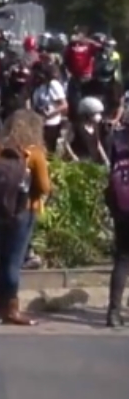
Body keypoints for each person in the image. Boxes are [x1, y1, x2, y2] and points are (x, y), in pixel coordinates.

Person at [0, 109, 50, 325]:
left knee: (2, 259)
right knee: (14, 261)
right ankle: (11, 310)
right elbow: (44, 187)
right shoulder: (34, 153)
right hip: (24, 211)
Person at [106, 122, 129, 327]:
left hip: (122, 206)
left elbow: (111, 171)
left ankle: (113, 311)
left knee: (122, 258)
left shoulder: (118, 140)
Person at [31, 62, 67, 153]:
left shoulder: (53, 85)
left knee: (50, 151)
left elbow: (64, 105)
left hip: (52, 124)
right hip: (40, 123)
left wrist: (48, 115)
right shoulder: (38, 87)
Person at [62, 96, 108, 164]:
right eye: (95, 113)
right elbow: (66, 143)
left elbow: (98, 144)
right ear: (87, 114)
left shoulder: (96, 127)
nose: (99, 116)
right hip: (81, 162)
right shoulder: (76, 127)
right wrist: (74, 157)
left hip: (93, 161)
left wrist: (105, 159)